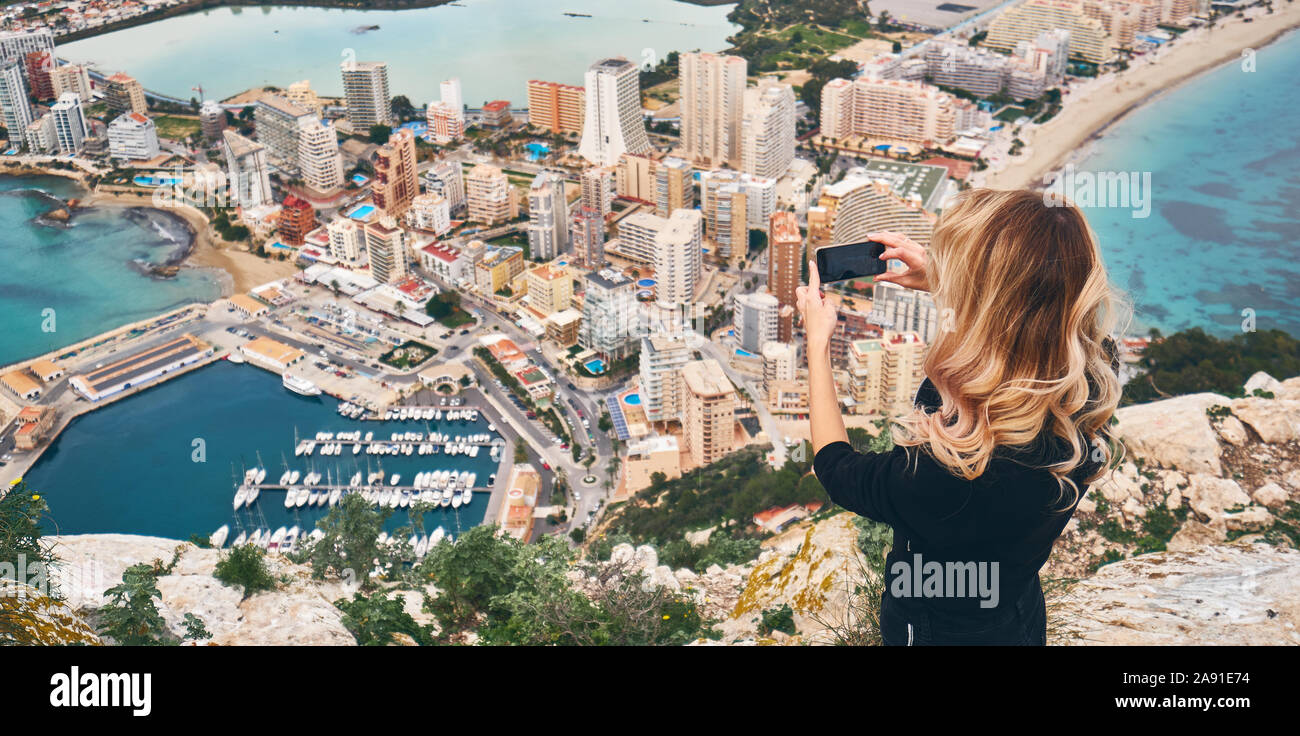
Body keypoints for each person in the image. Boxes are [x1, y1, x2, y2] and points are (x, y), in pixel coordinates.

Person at [797, 189, 1123, 646]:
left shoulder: (948, 470)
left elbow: (836, 468)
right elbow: (1033, 318)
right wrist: (948, 281)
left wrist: (817, 344)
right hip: (1019, 617)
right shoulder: (1088, 388)